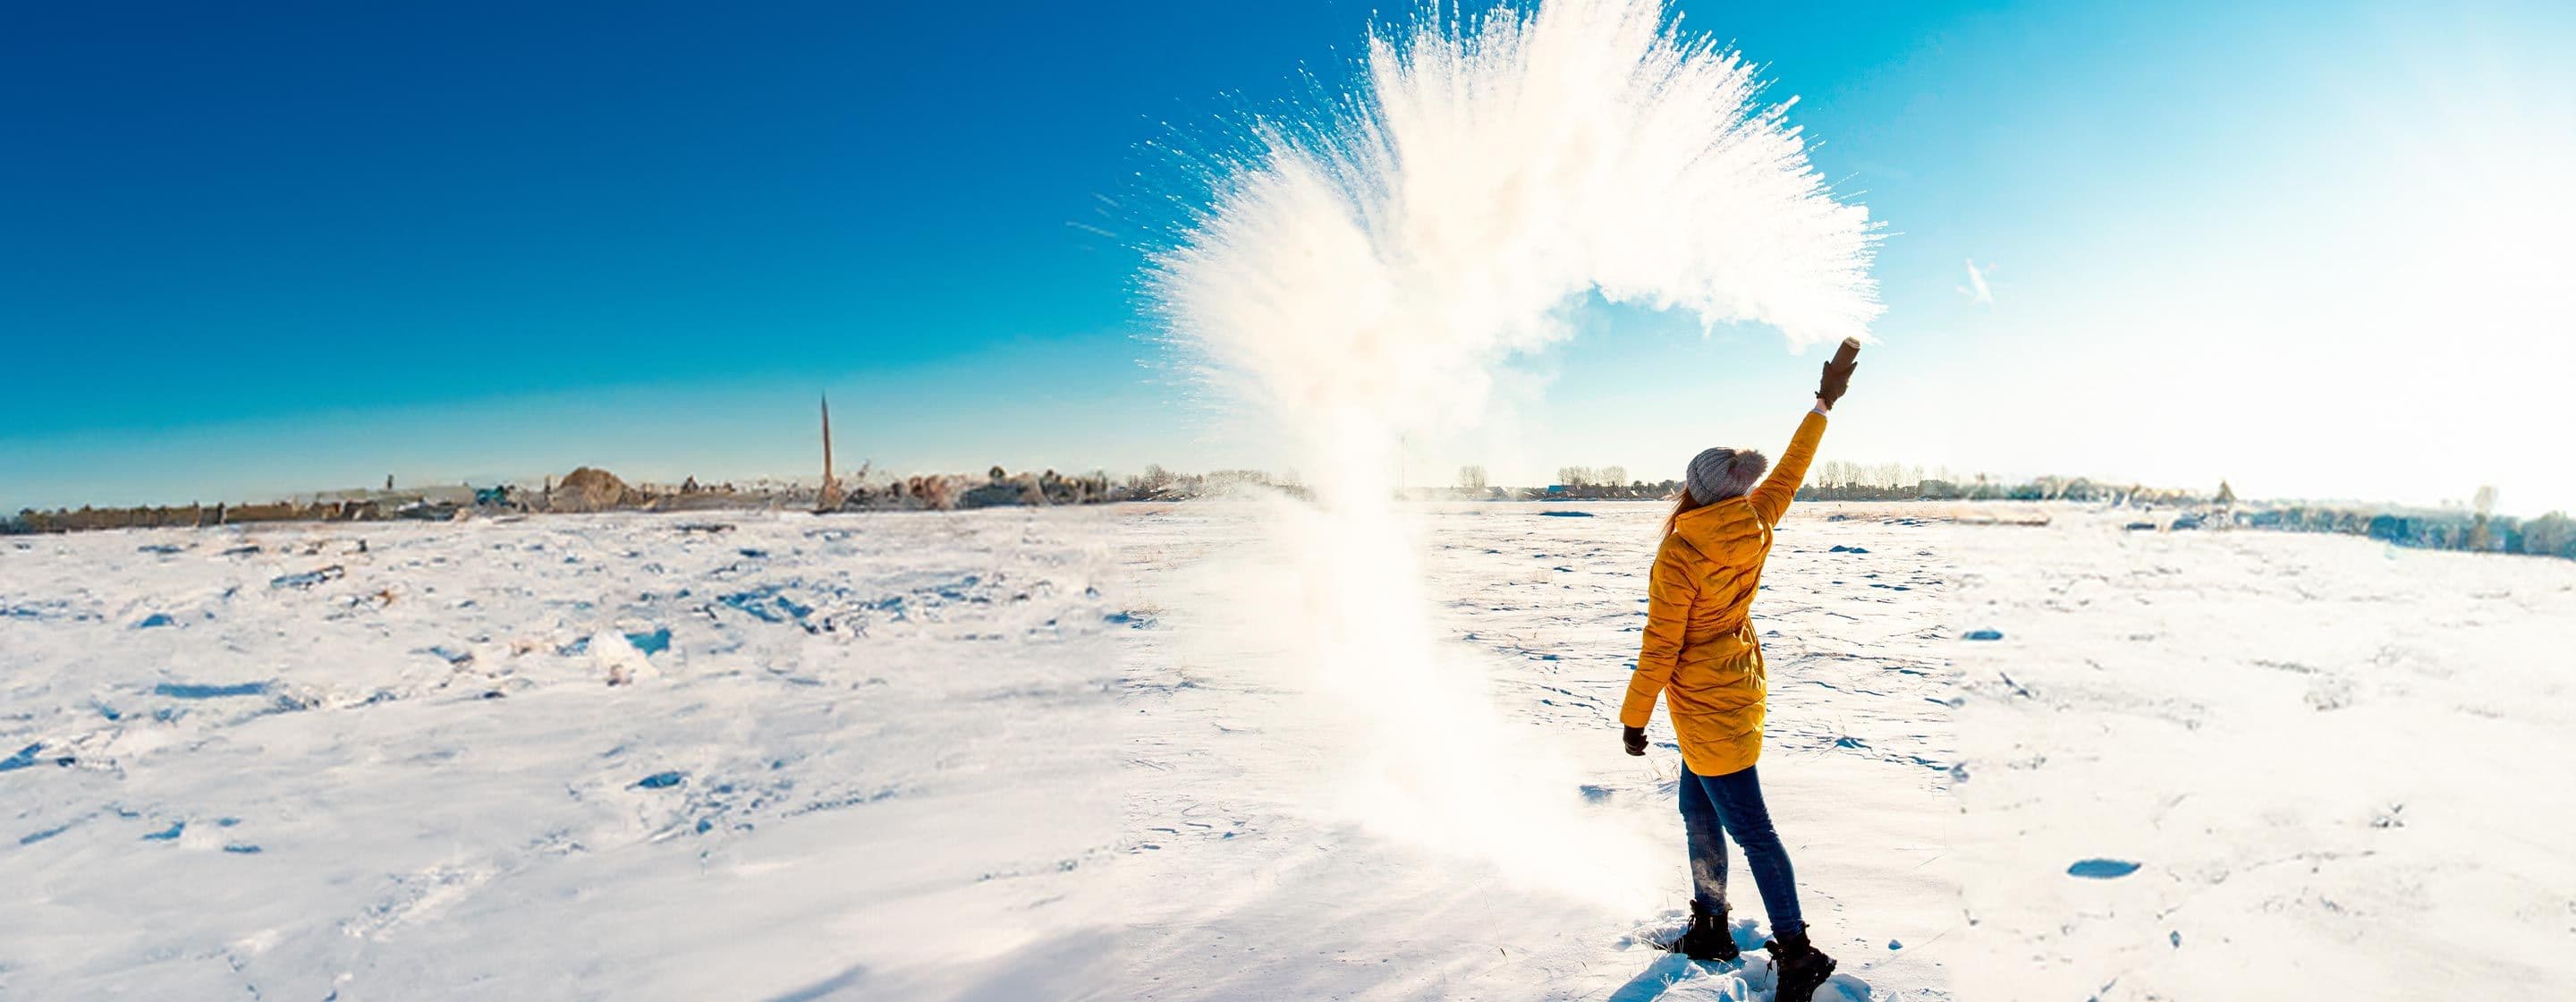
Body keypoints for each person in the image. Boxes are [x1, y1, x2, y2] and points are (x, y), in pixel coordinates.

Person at [1618, 338, 1859, 1000]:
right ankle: (1711, 924)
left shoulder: (1681, 554)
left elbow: (1659, 645)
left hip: (1706, 704)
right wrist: (1823, 405)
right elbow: (1791, 470)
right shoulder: (1757, 517)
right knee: (1697, 810)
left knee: (1752, 829)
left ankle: (1799, 952)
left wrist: (1635, 718)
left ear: (1693, 492)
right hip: (1732, 690)